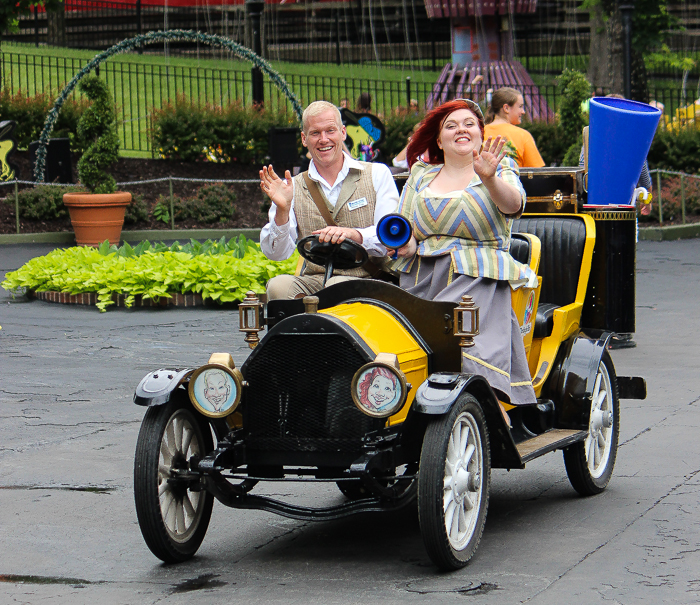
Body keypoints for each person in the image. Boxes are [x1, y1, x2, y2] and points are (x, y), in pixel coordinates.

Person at [389, 99, 538, 409]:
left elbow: (514, 206)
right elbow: (405, 226)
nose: (461, 129)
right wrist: (407, 243)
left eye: (469, 123)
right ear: (439, 140)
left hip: (479, 273)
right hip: (424, 275)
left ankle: (489, 410)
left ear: (480, 134)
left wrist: (489, 178)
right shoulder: (421, 174)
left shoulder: (501, 167)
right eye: (451, 125)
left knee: (462, 345)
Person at [259, 100, 399, 300]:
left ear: (343, 133)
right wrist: (282, 210)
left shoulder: (376, 173)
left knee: (336, 286)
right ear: (304, 139)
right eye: (315, 133)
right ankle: (300, 330)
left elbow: (390, 239)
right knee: (277, 287)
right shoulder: (293, 187)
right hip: (316, 278)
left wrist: (354, 235)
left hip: (369, 277)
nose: (323, 139)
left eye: (330, 131)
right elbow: (276, 253)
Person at [484, 87, 545, 168]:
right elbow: (536, 172)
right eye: (520, 106)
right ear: (506, 108)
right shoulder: (523, 135)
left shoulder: (480, 132)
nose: (523, 112)